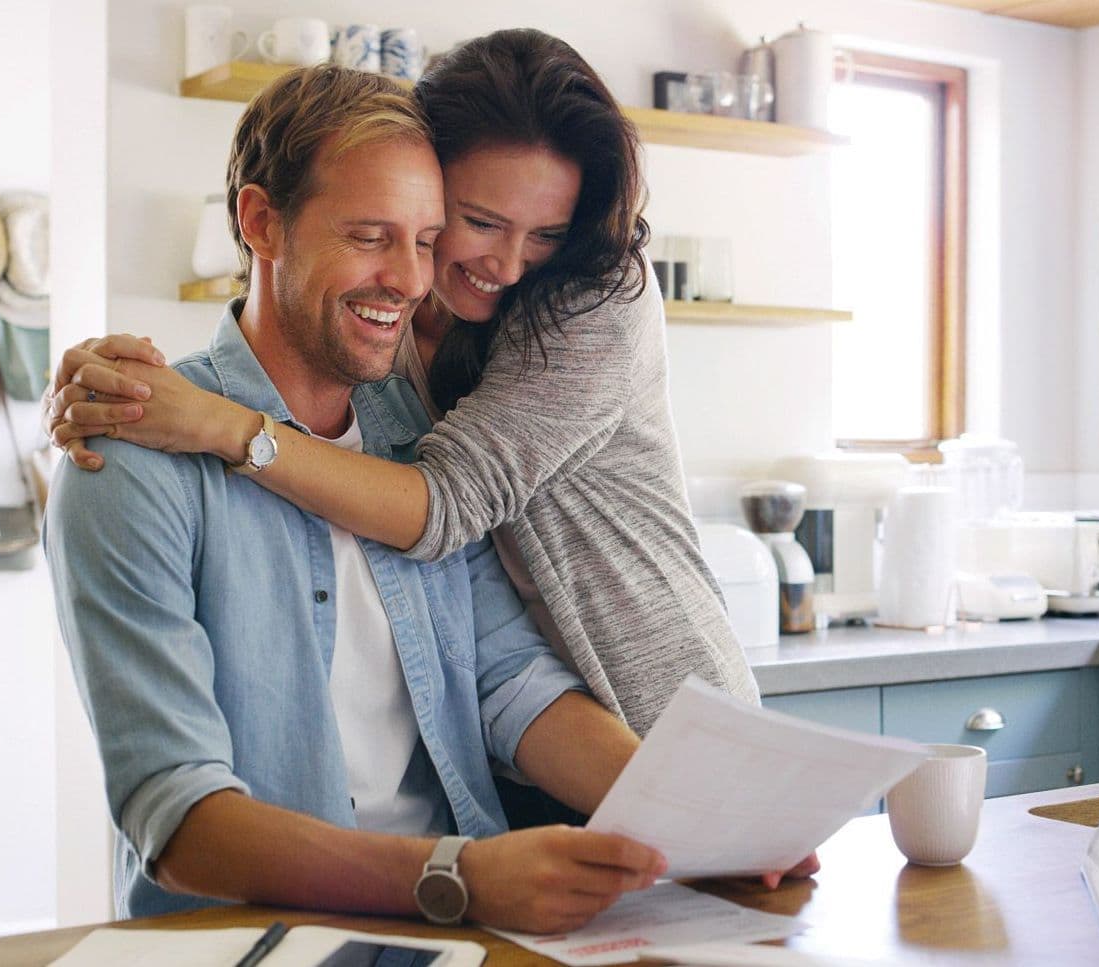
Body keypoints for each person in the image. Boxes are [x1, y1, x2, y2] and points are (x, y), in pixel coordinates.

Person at [45, 65, 680, 933]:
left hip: (456, 921)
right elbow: (178, 815)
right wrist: (458, 876)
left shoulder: (415, 437)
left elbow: (510, 682)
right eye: (370, 236)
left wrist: (696, 817)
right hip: (256, 937)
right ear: (262, 223)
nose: (410, 279)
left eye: (425, 240)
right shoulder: (132, 460)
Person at [43, 29, 758, 740]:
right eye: (478, 222)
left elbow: (443, 504)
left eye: (545, 233)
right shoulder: (395, 325)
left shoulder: (594, 302)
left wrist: (220, 425)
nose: (510, 264)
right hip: (519, 740)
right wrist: (104, 375)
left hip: (663, 711)